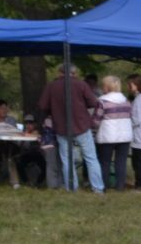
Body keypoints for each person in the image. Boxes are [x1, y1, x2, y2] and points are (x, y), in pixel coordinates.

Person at [37, 64, 103, 193]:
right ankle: (98, 188)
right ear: (75, 73)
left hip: (61, 126)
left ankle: (71, 188)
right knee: (91, 158)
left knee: (67, 160)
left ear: (59, 73)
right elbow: (93, 102)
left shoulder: (51, 86)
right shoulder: (81, 85)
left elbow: (42, 105)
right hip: (82, 124)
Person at [95, 74, 134, 190]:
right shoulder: (126, 101)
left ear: (106, 87)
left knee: (105, 162)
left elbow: (96, 120)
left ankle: (104, 186)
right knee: (121, 162)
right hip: (125, 136)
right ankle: (120, 186)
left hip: (107, 136)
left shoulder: (102, 102)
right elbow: (130, 116)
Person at [0, 100, 25, 189]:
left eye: (6, 108)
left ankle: (15, 182)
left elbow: (15, 133)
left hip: (9, 145)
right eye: (1, 108)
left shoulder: (11, 121)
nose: (5, 110)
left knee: (10, 155)